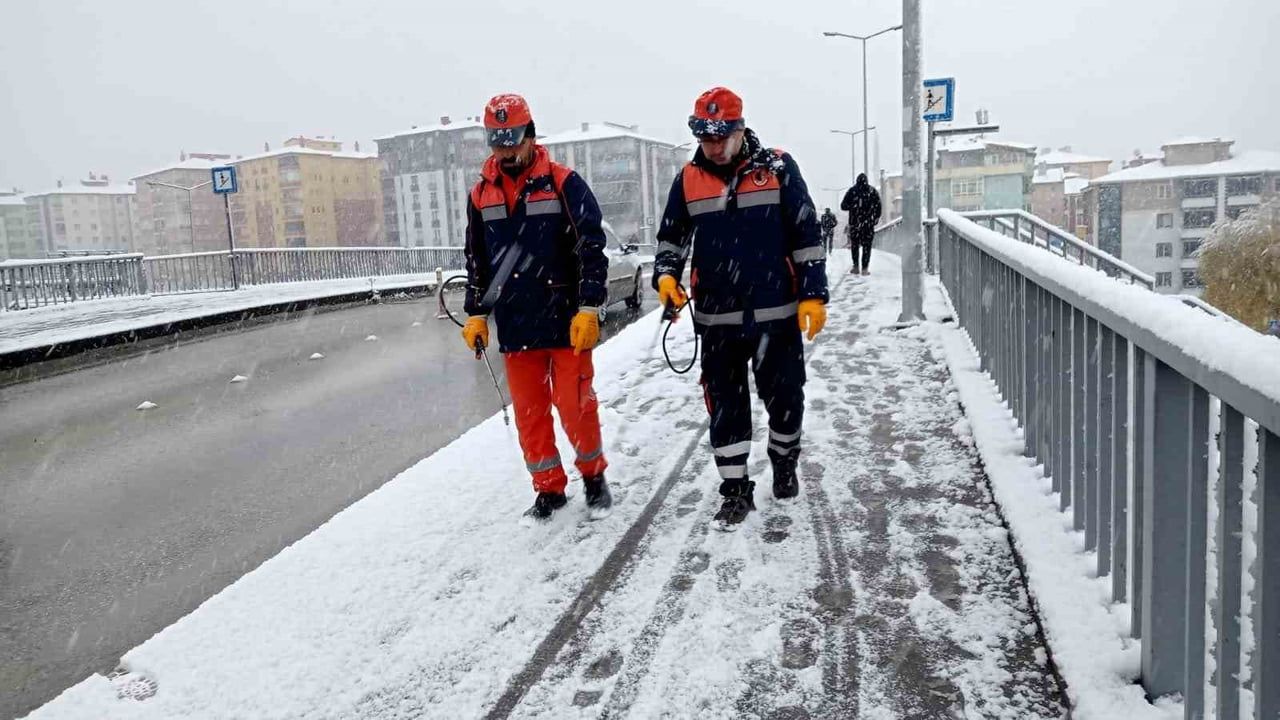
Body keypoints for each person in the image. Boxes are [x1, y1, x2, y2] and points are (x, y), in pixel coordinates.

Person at [653, 86, 829, 531]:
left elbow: (806, 235)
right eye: (704, 136)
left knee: (786, 398)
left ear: (739, 129)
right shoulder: (688, 179)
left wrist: (813, 293)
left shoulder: (777, 169)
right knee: (726, 408)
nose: (712, 146)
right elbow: (670, 238)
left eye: (719, 136)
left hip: (777, 313)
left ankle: (784, 463)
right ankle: (734, 490)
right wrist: (666, 276)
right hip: (717, 319)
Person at [461, 93, 612, 523]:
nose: (506, 149)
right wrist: (476, 312)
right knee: (530, 415)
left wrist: (589, 305)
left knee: (574, 405)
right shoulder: (480, 195)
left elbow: (592, 246)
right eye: (497, 141)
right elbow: (476, 259)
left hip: (566, 320)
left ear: (530, 135)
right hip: (516, 323)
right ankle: (549, 489)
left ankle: (593, 477)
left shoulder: (564, 182)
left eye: (512, 139)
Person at [841, 173, 882, 275]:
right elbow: (879, 206)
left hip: (855, 223)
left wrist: (853, 206)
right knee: (867, 246)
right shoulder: (872, 191)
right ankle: (865, 268)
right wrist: (875, 218)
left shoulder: (852, 191)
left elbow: (843, 206)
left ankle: (856, 267)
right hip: (868, 224)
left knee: (855, 246)